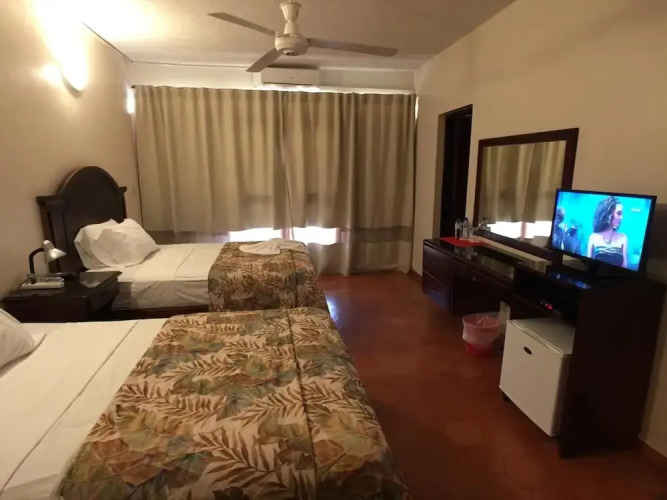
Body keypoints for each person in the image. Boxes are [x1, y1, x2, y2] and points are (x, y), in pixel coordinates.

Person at [587, 196, 628, 268]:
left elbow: (624, 266)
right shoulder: (593, 237)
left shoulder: (623, 238)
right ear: (609, 214)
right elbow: (588, 264)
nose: (621, 217)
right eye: (619, 213)